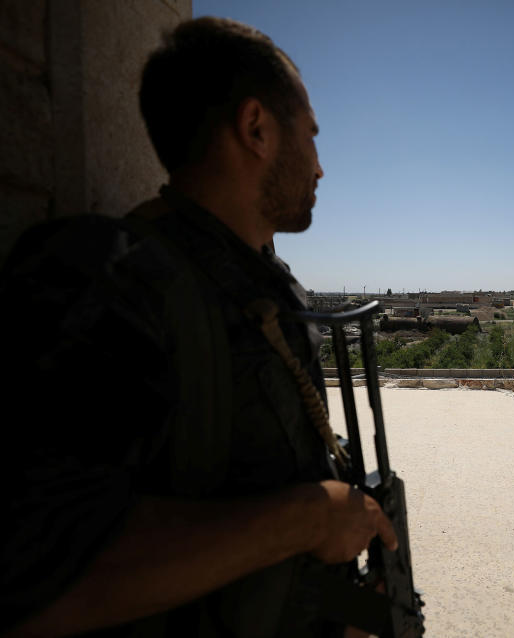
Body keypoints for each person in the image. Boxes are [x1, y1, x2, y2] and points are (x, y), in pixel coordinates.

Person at [0, 17, 396, 638]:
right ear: (256, 128)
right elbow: (31, 575)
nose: (320, 167)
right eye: (311, 137)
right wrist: (309, 519)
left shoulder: (261, 283)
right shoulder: (110, 279)